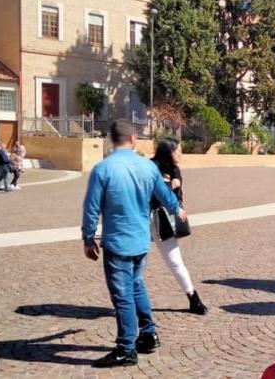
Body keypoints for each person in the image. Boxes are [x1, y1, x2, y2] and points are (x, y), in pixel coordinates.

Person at [81, 120, 186, 368]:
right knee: (136, 285)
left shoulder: (103, 169)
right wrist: (177, 209)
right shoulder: (147, 167)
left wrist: (88, 238)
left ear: (110, 140)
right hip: (140, 240)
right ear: (133, 139)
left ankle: (126, 348)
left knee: (122, 295)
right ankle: (148, 334)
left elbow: (91, 208)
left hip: (118, 242)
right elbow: (165, 195)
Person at [150, 138, 207, 315]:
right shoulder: (150, 167)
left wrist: (173, 187)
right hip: (143, 219)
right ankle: (129, 303)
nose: (181, 154)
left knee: (175, 261)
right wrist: (168, 186)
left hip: (164, 221)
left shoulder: (175, 170)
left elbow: (176, 196)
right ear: (168, 152)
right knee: (135, 264)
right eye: (178, 151)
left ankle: (193, 297)